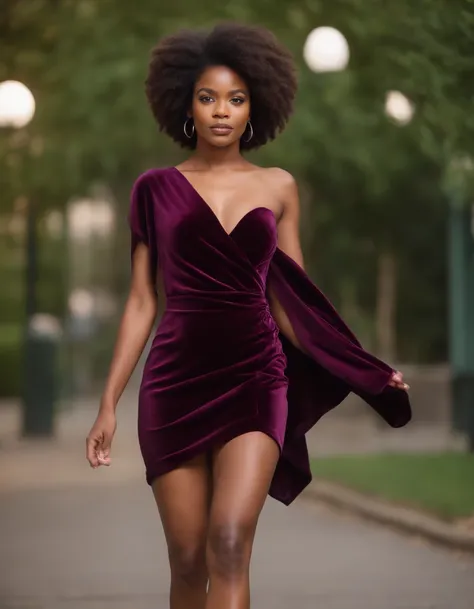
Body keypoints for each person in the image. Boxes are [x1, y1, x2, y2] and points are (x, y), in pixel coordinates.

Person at [86, 21, 411, 609]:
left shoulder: (279, 186)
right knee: (187, 564)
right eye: (208, 98)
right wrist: (109, 401)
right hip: (173, 384)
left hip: (256, 378)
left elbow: (297, 303)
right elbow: (142, 300)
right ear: (185, 104)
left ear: (254, 106)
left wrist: (365, 369)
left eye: (236, 99)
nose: (221, 112)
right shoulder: (153, 189)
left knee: (230, 543)